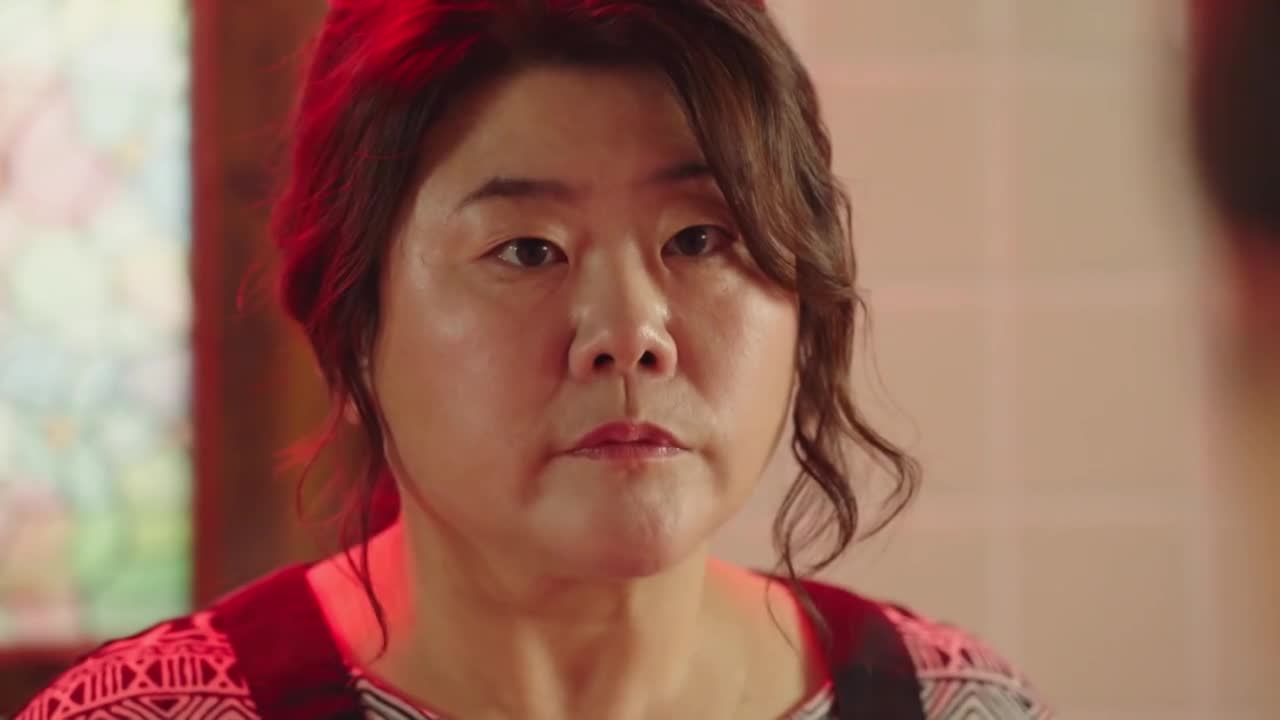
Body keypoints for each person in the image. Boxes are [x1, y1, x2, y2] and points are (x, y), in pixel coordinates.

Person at [17, 2, 1051, 718]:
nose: (629, 333)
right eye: (526, 250)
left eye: (699, 239)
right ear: (354, 317)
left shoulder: (950, 705)